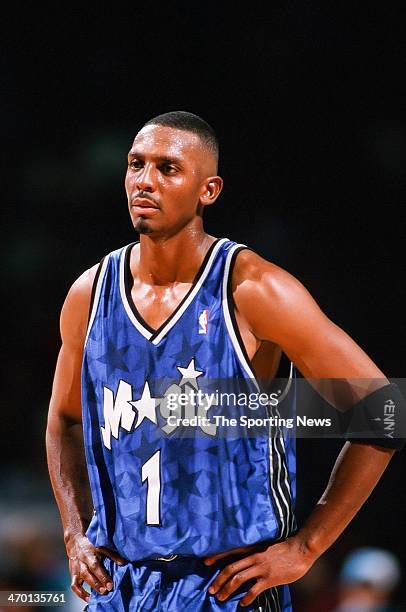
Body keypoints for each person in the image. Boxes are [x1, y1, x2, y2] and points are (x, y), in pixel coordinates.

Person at [46, 111, 404, 612]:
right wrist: (73, 530)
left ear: (208, 190)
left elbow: (382, 412)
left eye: (168, 168)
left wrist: (306, 547)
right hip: (121, 586)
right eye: (135, 165)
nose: (145, 181)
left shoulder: (255, 290)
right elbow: (65, 418)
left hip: (225, 588)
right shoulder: (90, 293)